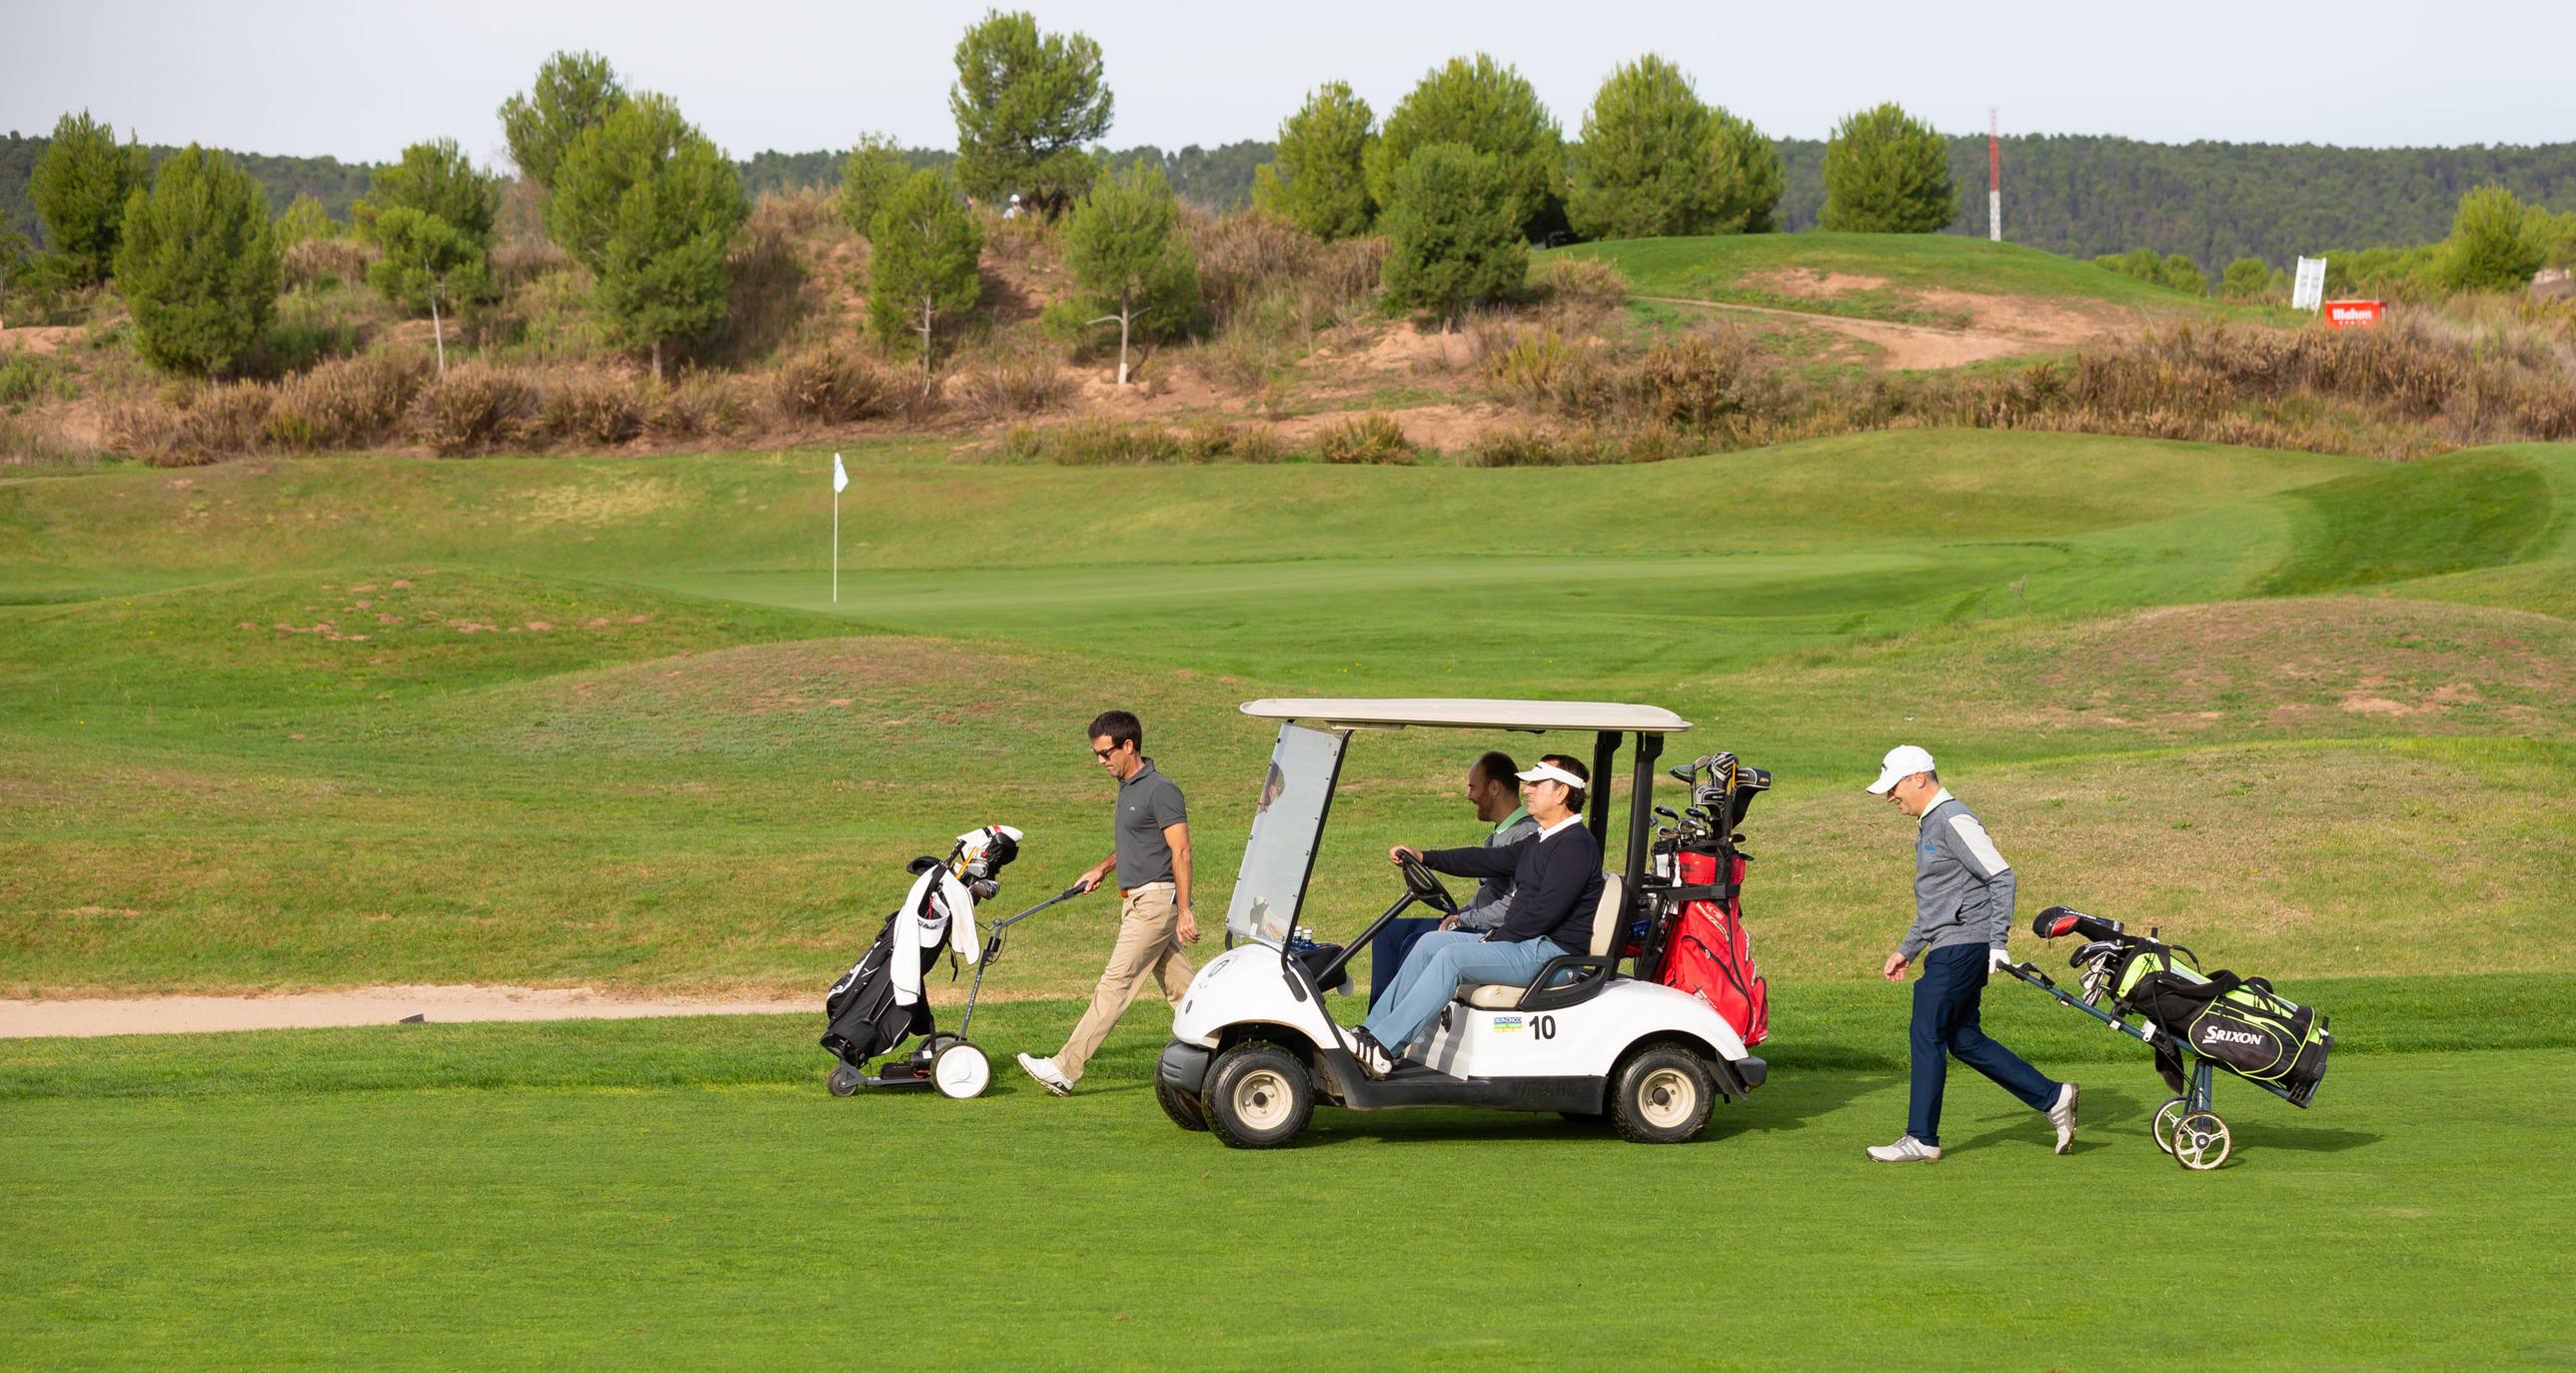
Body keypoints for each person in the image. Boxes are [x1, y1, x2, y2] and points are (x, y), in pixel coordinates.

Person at [1863, 744, 2078, 1162]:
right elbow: (1940, 901)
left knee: (1926, 1029)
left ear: (1919, 779)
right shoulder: (1930, 825)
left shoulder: (1953, 819)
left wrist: (1998, 942)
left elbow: (2001, 876)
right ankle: (2053, 1097)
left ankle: (1921, 1138)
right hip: (1950, 944)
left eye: (1894, 787)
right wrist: (1907, 948)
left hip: (1964, 946)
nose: (1890, 797)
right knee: (1963, 1039)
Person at [1345, 755, 1603, 1076]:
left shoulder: (1574, 845)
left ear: (1562, 793)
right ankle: (1371, 1034)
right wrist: (1425, 857)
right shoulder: (1540, 840)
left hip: (1551, 955)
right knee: (1430, 943)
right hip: (1528, 947)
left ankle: (1384, 1048)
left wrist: (1492, 938)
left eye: (1537, 784)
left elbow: (1544, 912)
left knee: (1452, 958)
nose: (1527, 790)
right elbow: (1485, 860)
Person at [1016, 710, 1195, 1096]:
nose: (1100, 761)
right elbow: (1138, 842)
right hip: (1136, 900)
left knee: (1115, 985)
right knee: (1184, 991)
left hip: (1154, 902)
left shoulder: (1161, 789)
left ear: (1128, 746)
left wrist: (1184, 911)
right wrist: (1102, 867)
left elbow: (1180, 851)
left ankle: (1064, 1069)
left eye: (1105, 753)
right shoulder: (1128, 786)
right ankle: (1231, 1047)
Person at [1445, 750, 1540, 932]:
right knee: (1391, 931)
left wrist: (1463, 921)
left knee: (1411, 939)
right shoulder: (1502, 832)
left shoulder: (1525, 835)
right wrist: (1460, 915)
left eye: (1472, 787)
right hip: (1477, 923)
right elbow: (1488, 893)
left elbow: (1514, 904)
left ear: (1494, 788)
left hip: (1490, 933)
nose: (1468, 795)